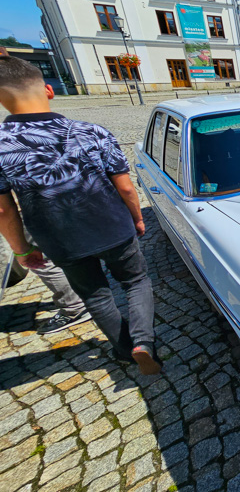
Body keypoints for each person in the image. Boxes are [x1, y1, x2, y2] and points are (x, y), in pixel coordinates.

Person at [0, 56, 160, 375]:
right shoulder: (91, 131)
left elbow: (4, 209)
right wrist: (137, 219)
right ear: (48, 90)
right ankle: (144, 341)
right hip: (112, 227)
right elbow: (127, 189)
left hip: (60, 240)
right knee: (136, 280)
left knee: (96, 296)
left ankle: (125, 351)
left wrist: (22, 250)